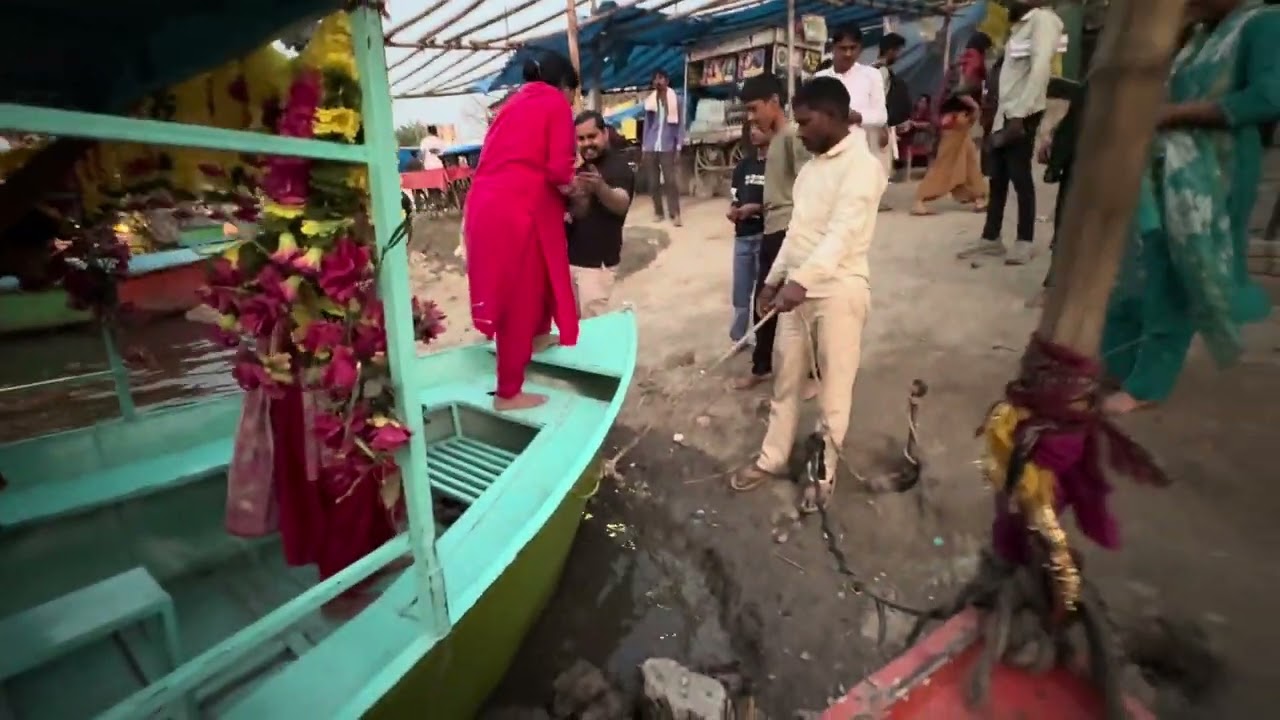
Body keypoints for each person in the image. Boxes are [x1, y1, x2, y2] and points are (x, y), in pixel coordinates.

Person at [1099, 0, 1279, 415]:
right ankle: (1117, 363)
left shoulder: (1265, 24)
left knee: (1178, 271)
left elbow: (1268, 97)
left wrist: (1175, 114)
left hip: (1219, 169)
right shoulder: (1200, 34)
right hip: (1170, 161)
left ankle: (1148, 383)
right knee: (1139, 260)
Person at [730, 77, 886, 505]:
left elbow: (842, 235)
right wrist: (773, 281)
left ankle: (822, 475)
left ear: (833, 117)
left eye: (806, 122)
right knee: (785, 382)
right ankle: (772, 458)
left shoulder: (863, 168)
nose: (799, 132)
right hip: (798, 291)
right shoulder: (812, 170)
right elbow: (797, 235)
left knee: (833, 392)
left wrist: (799, 282)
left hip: (839, 291)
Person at [463, 52, 581, 411]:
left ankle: (538, 335)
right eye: (574, 95)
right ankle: (508, 392)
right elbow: (558, 170)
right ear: (565, 86)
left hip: (488, 205)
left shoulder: (512, 104)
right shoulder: (555, 103)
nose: (572, 103)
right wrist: (576, 187)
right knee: (520, 295)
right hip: (516, 210)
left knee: (539, 276)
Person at [956, 1, 1062, 265]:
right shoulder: (1018, 27)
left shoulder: (1042, 20)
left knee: (1020, 176)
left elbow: (1040, 68)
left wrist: (1020, 115)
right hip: (1004, 113)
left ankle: (1025, 241)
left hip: (1020, 114)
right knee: (998, 177)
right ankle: (991, 238)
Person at [732, 73, 810, 391]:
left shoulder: (793, 137)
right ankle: (761, 366)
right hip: (771, 228)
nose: (751, 118)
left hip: (789, 231)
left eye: (754, 109)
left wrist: (799, 233)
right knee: (763, 301)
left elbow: (808, 187)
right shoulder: (775, 140)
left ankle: (811, 375)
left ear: (774, 102)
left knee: (799, 307)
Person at [566, 110, 634, 318]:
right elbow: (575, 212)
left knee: (594, 329)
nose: (587, 143)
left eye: (592, 136)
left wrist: (600, 188)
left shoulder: (619, 167)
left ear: (604, 134)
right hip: (570, 263)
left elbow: (621, 204)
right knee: (573, 329)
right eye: (581, 138)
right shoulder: (576, 168)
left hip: (597, 268)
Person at [816, 27, 891, 211]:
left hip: (861, 150)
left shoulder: (871, 75)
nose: (848, 53)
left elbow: (881, 115)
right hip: (829, 150)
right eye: (843, 48)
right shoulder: (820, 79)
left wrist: (857, 117)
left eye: (853, 48)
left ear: (860, 49)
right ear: (833, 48)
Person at [727, 120, 770, 344]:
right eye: (751, 127)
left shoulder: (776, 167)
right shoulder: (743, 166)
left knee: (764, 291)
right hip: (743, 237)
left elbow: (781, 203)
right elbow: (735, 197)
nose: (754, 131)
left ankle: (763, 339)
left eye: (759, 127)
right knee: (740, 292)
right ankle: (739, 338)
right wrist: (734, 210)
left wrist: (756, 209)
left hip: (765, 236)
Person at [910, 91, 988, 215]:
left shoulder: (961, 109)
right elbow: (948, 123)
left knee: (970, 171)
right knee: (942, 171)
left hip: (964, 142)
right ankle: (920, 200)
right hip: (952, 143)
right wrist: (972, 107)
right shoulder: (952, 112)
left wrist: (973, 106)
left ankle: (979, 199)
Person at [641, 69, 684, 226]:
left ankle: (675, 214)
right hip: (651, 145)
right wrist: (644, 146)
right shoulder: (650, 101)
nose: (657, 81)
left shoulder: (677, 100)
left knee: (670, 181)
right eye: (655, 79)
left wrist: (679, 146)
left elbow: (680, 125)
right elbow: (647, 125)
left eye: (660, 78)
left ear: (667, 80)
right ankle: (658, 212)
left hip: (667, 145)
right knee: (653, 182)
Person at [896, 94, 934, 175]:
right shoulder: (913, 112)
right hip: (911, 135)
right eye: (920, 101)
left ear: (927, 104)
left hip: (924, 135)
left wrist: (914, 124)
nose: (921, 103)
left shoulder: (928, 113)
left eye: (923, 102)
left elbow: (928, 124)